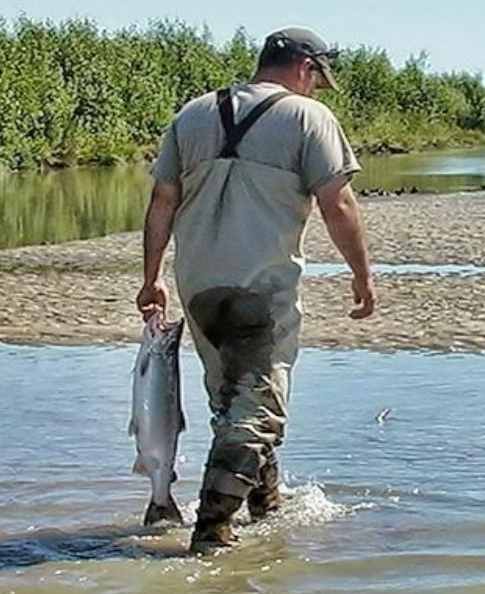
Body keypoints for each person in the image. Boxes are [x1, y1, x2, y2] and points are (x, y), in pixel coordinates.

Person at [138, 27, 378, 554]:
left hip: (198, 288)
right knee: (257, 411)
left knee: (234, 401)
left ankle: (266, 505)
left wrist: (152, 276)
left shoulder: (193, 113)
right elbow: (338, 205)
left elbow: (162, 202)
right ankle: (210, 534)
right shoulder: (309, 117)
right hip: (259, 290)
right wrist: (361, 275)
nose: (317, 89)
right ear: (305, 69)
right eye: (318, 78)